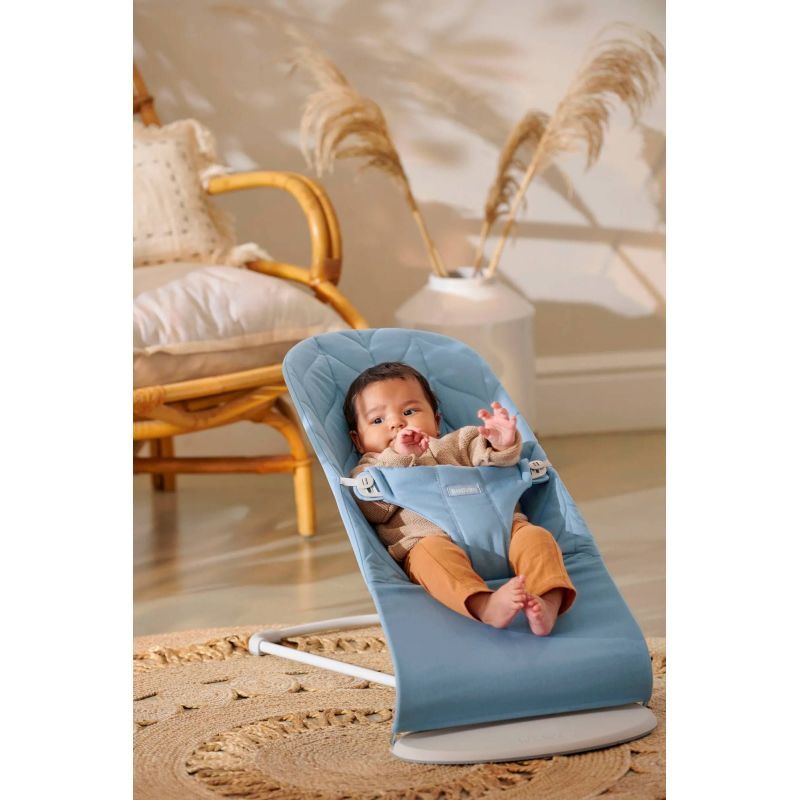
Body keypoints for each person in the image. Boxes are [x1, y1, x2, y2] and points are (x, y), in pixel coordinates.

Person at [344, 361, 576, 635]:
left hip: (505, 532)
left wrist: (501, 441)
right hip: (429, 541)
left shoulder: (459, 442)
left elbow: (495, 459)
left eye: (409, 411)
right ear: (358, 440)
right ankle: (485, 605)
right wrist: (400, 458)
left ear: (436, 421)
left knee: (537, 538)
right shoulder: (370, 467)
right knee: (429, 559)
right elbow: (372, 510)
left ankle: (547, 602)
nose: (397, 423)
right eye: (378, 420)